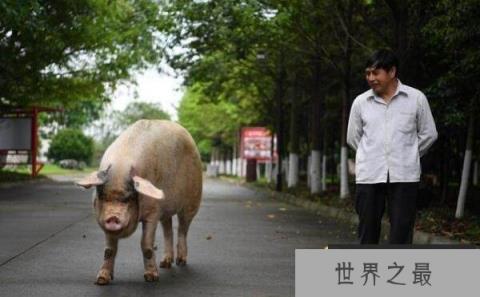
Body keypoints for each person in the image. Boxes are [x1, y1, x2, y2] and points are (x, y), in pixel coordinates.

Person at [347, 49, 438, 244]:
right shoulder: (361, 103)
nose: (371, 78)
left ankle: (397, 272)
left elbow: (429, 133)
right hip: (370, 175)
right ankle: (367, 273)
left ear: (392, 72)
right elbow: (353, 138)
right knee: (367, 232)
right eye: (368, 73)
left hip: (404, 175)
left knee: (402, 233)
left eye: (376, 73)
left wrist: (409, 152)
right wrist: (371, 154)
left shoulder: (416, 99)